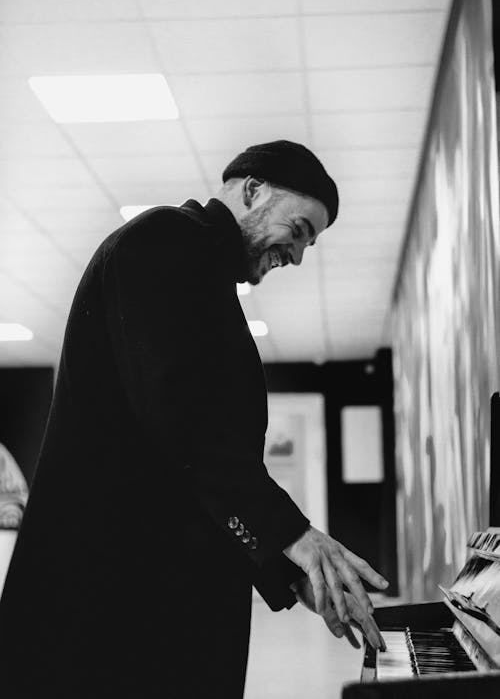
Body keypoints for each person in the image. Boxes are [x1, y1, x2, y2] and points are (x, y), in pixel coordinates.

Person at [0, 140, 387, 698]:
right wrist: (296, 537)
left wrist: (293, 570)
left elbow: (192, 465)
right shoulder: (162, 241)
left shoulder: (200, 274)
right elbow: (186, 427)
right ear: (253, 191)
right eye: (300, 230)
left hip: (138, 606)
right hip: (108, 613)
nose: (298, 256)